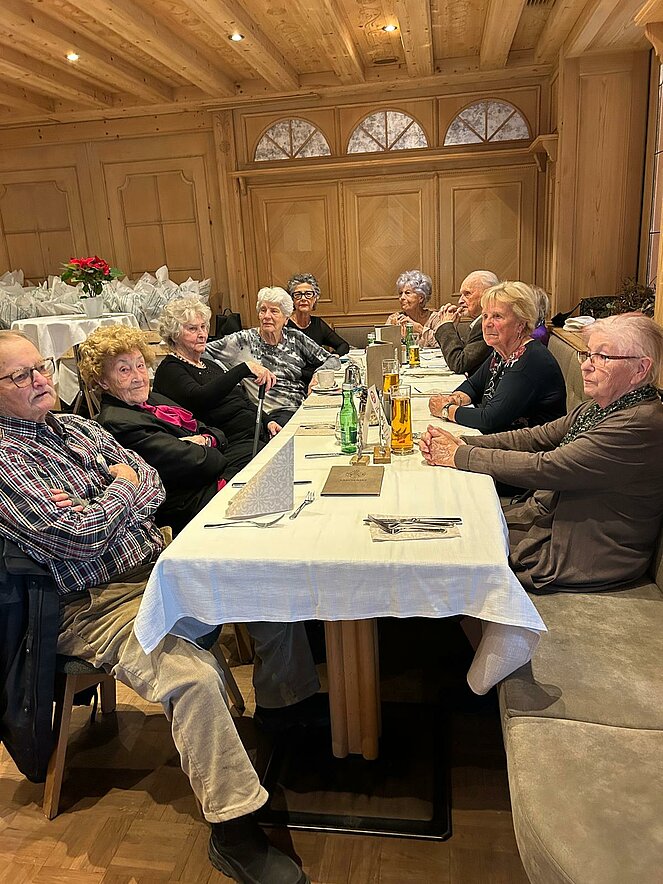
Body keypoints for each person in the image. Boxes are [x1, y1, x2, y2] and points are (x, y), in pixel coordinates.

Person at [0, 330, 314, 883]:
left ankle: (284, 716)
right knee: (191, 677)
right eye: (20, 376)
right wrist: (119, 490)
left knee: (263, 587)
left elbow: (154, 484)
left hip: (156, 570)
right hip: (88, 605)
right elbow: (76, 537)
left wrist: (104, 496)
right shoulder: (6, 459)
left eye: (41, 367)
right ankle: (234, 828)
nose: (41, 380)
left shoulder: (76, 427)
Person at [420, 312, 663, 593]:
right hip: (553, 521)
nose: (586, 366)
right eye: (587, 354)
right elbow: (537, 437)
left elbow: (548, 467)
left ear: (640, 369)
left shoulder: (637, 424)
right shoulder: (605, 405)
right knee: (444, 525)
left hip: (585, 552)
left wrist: (460, 455)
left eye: (602, 357)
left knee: (445, 551)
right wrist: (463, 443)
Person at [79, 325, 259, 536]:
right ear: (103, 381)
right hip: (188, 503)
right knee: (258, 467)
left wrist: (205, 440)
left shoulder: (151, 399)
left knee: (258, 449)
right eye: (124, 370)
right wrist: (209, 443)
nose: (138, 377)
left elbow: (213, 431)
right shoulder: (117, 422)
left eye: (140, 365)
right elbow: (200, 462)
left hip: (206, 477)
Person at [429, 281, 566, 434]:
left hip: (530, 445)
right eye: (485, 316)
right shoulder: (502, 352)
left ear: (521, 324)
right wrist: (456, 398)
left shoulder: (529, 360)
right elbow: (473, 385)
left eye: (497, 316)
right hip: (504, 437)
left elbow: (490, 420)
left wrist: (446, 410)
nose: (487, 323)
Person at [206, 286, 341, 426]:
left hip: (303, 406)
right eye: (263, 310)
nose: (266, 316)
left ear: (286, 318)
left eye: (274, 311)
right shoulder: (243, 340)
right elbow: (200, 352)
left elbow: (333, 359)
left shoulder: (294, 337)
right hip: (272, 415)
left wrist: (318, 374)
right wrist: (228, 375)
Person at [153, 298, 282, 443]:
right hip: (230, 442)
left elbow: (242, 399)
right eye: (193, 329)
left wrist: (268, 421)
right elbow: (200, 398)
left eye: (203, 327)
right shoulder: (170, 369)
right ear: (174, 334)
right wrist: (244, 368)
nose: (202, 334)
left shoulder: (209, 364)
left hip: (257, 433)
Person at [433, 270, 499, 374]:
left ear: (487, 295)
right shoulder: (477, 322)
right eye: (461, 295)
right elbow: (464, 353)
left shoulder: (486, 324)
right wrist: (452, 329)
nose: (460, 301)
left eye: (467, 294)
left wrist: (446, 326)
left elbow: (459, 364)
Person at [286, 273, 350, 356]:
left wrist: (333, 357)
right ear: (292, 300)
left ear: (315, 299)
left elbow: (343, 345)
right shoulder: (284, 324)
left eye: (308, 294)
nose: (303, 298)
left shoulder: (317, 323)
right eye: (298, 295)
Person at [385, 270, 439, 348]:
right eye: (400, 293)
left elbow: (444, 345)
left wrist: (420, 329)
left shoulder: (435, 319)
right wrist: (394, 332)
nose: (402, 298)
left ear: (421, 298)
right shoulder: (394, 319)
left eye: (407, 293)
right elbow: (383, 347)